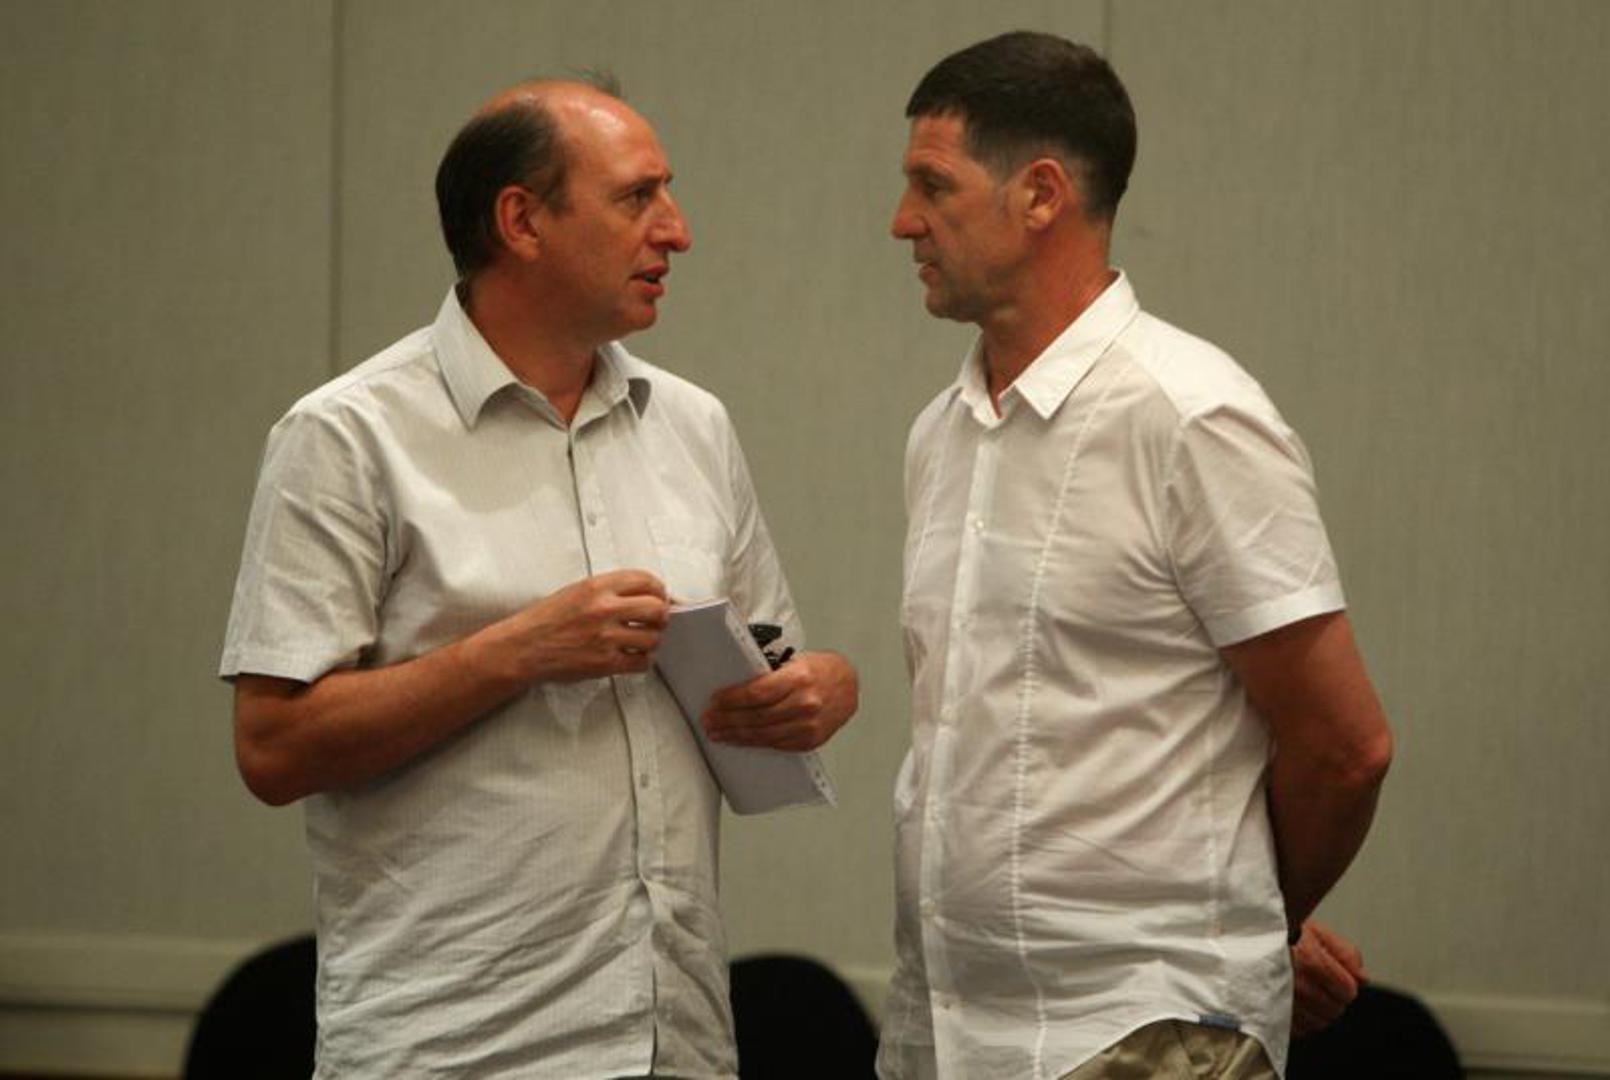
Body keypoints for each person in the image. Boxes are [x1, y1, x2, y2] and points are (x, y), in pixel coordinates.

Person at [219, 76, 858, 1078]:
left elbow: (764, 661)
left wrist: (820, 690)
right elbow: (271, 747)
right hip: (459, 1047)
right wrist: (516, 652)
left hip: (675, 1039)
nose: (677, 230)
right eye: (637, 197)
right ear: (520, 220)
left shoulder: (693, 426)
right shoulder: (346, 436)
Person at [877, 32, 1392, 1080]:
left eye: (932, 185)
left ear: (1040, 195)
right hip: (947, 1026)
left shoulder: (1191, 416)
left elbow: (1344, 748)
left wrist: (1245, 922)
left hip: (1147, 1033)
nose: (901, 221)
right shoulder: (942, 430)